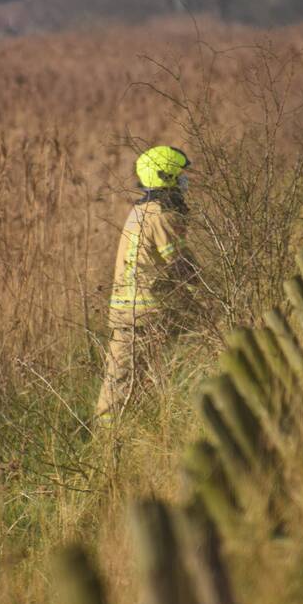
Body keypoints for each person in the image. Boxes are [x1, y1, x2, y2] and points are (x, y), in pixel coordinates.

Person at [95, 146, 200, 422]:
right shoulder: (162, 215)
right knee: (120, 387)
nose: (185, 181)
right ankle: (108, 449)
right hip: (144, 312)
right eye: (181, 175)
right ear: (167, 177)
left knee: (130, 381)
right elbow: (181, 265)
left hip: (132, 310)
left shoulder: (142, 210)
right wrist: (209, 298)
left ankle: (138, 430)